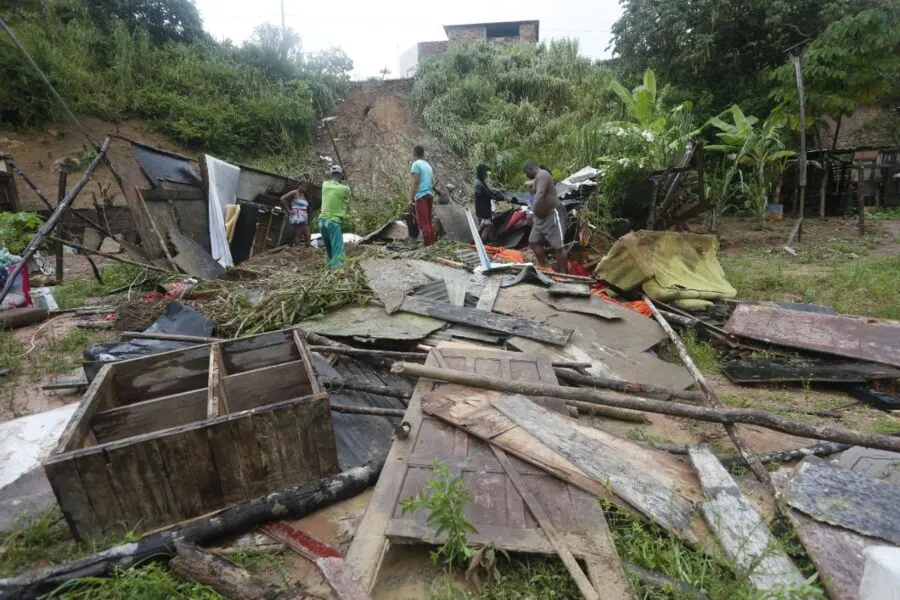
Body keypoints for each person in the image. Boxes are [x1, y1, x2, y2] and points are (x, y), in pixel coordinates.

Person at [523, 159, 568, 273]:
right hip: (540, 218)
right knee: (533, 241)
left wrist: (531, 212)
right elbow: (536, 194)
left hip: (552, 214)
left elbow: (541, 193)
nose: (526, 175)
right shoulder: (537, 179)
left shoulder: (543, 174)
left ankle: (564, 273)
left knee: (557, 246)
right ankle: (543, 267)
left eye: (525, 172)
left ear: (529, 168)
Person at [319, 165, 350, 268]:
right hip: (333, 221)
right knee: (337, 249)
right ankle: (337, 271)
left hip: (322, 221)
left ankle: (328, 267)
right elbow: (347, 197)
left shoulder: (325, 185)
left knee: (328, 248)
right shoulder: (344, 189)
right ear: (341, 176)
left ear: (330, 174)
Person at [409, 145, 441, 246]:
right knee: (428, 220)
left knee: (423, 222)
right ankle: (432, 243)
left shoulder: (416, 164)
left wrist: (410, 198)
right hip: (429, 195)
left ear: (414, 153)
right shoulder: (428, 165)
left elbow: (415, 182)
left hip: (421, 196)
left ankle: (428, 245)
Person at [474, 163, 504, 243]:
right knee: (488, 227)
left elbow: (489, 191)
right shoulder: (478, 183)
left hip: (485, 208)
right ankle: (482, 244)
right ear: (482, 172)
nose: (487, 175)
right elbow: (488, 194)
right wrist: (499, 197)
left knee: (491, 227)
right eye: (486, 173)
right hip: (482, 209)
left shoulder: (481, 182)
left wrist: (496, 193)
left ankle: (492, 242)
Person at [280, 179, 311, 247]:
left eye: (306, 187)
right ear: (299, 186)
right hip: (297, 216)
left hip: (304, 218)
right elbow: (282, 199)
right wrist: (289, 210)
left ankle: (308, 251)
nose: (304, 189)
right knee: (298, 234)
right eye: (303, 187)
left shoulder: (303, 195)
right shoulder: (294, 192)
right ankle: (296, 249)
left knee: (308, 234)